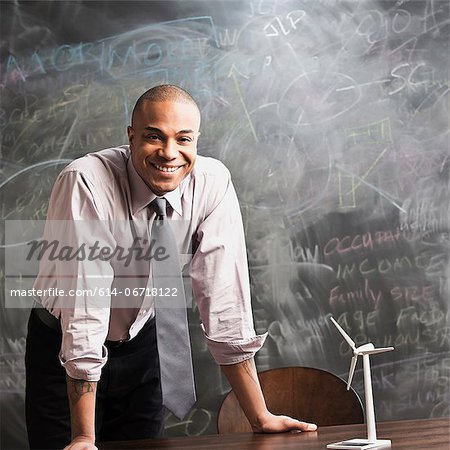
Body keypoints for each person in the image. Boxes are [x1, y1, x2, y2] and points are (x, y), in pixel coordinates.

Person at [25, 84, 317, 450]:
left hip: (141, 342)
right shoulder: (86, 181)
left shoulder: (212, 184)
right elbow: (86, 307)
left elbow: (225, 302)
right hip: (63, 348)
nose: (169, 153)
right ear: (131, 136)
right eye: (153, 137)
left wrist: (259, 417)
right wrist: (83, 436)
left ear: (196, 140)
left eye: (183, 139)